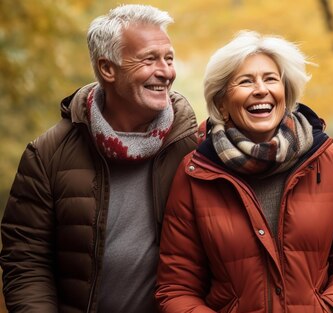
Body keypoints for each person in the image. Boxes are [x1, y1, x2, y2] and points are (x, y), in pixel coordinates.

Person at [156, 30, 333, 313]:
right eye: (246, 81)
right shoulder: (195, 172)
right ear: (222, 103)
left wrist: (332, 310)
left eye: (271, 79)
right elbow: (176, 287)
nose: (261, 89)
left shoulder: (327, 158)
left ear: (286, 94)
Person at [0, 4, 199, 313]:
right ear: (108, 69)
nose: (166, 71)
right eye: (150, 59)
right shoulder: (48, 153)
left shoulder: (193, 146)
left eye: (168, 58)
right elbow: (26, 260)